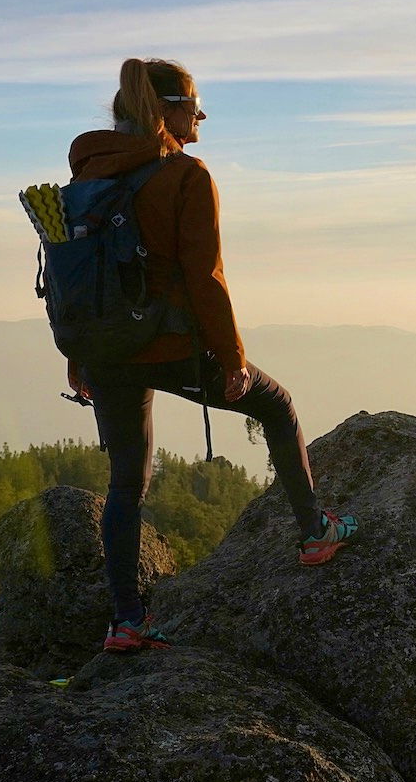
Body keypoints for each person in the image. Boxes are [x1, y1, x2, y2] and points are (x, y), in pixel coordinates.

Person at [66, 57, 357, 653]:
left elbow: (76, 279)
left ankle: (126, 621)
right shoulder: (187, 176)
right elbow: (206, 279)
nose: (200, 116)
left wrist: (78, 354)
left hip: (104, 349)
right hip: (171, 345)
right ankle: (314, 533)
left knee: (126, 484)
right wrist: (232, 360)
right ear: (166, 110)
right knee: (276, 405)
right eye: (193, 104)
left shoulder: (86, 178)